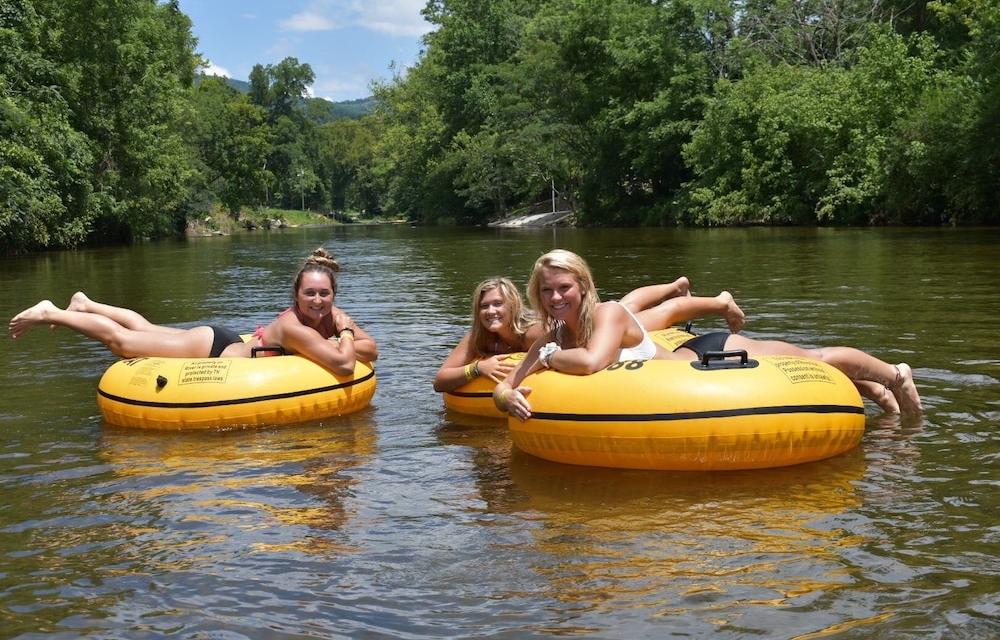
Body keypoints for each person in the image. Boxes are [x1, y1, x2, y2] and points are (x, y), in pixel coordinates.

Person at [493, 249, 921, 420]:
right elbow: (508, 384)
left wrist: (547, 359)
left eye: (563, 287)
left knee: (813, 360)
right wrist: (505, 397)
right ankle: (873, 391)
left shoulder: (606, 314)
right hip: (688, 372)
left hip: (709, 357)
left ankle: (894, 375)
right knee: (821, 367)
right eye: (546, 290)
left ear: (582, 286)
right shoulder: (552, 334)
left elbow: (590, 364)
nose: (555, 297)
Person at [8, 248, 377, 376]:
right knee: (122, 342)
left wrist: (342, 335)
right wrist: (344, 334)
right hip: (212, 350)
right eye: (309, 293)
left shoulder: (329, 315)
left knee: (146, 326)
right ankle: (50, 312)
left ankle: (86, 303)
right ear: (295, 296)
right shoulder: (296, 325)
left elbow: (372, 349)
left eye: (324, 294)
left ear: (333, 295)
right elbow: (345, 363)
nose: (317, 301)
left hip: (226, 341)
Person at [433, 274, 746, 393]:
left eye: (498, 304)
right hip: (598, 321)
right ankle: (675, 287)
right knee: (629, 304)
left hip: (592, 324)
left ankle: (718, 301)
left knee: (651, 315)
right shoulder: (477, 337)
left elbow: (572, 341)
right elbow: (440, 380)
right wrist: (478, 366)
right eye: (484, 307)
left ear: (513, 306)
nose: (491, 312)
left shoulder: (531, 332)